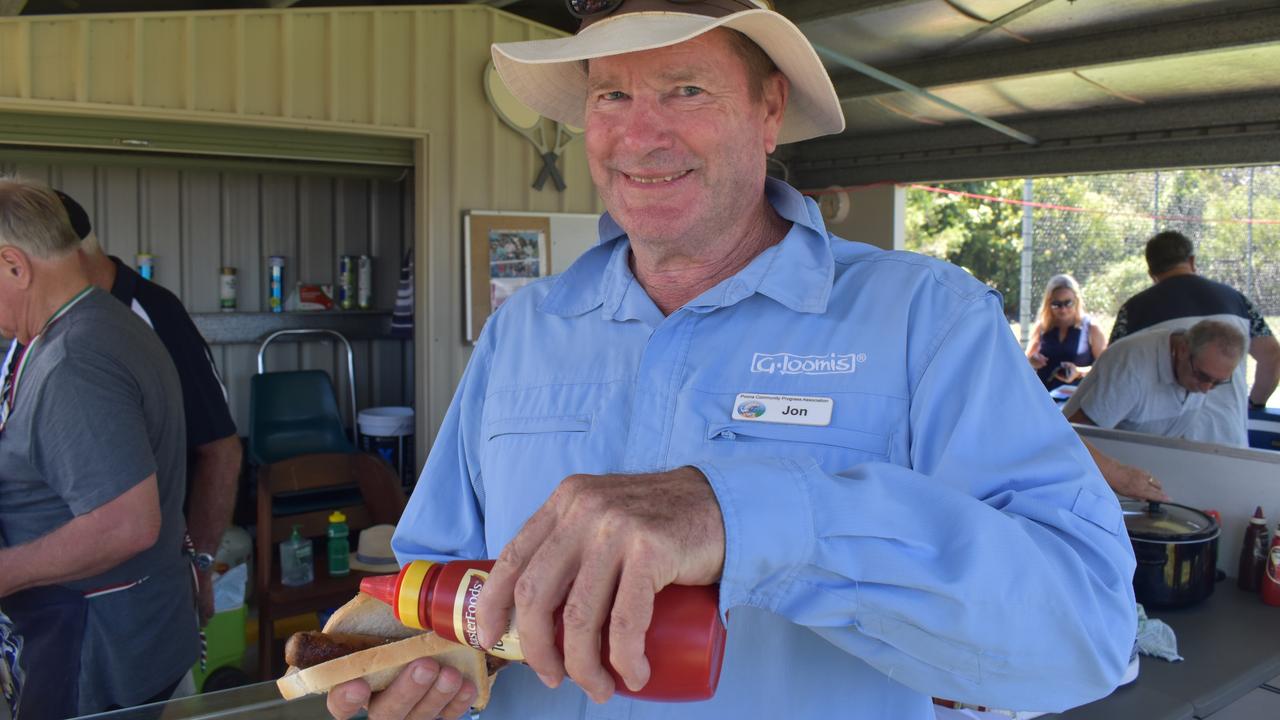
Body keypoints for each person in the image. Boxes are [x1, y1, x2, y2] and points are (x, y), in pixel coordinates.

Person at [329, 2, 1137, 719]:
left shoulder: (924, 320)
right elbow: (437, 585)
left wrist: (746, 517)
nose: (641, 135)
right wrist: (426, 677)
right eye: (612, 94)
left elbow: (1087, 635)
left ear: (768, 110)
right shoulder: (524, 330)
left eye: (686, 89)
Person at [0, 178, 199, 717]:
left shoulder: (74, 360)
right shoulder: (101, 321)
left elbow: (125, 524)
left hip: (95, 652)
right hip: (118, 638)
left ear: (15, 266)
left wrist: (5, 570)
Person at [57, 191, 242, 625]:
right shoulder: (35, 325)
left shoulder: (152, 313)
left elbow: (220, 450)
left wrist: (200, 568)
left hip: (144, 593)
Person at [1111, 230, 1279, 413]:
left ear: (1151, 273)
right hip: (1226, 430)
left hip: (1154, 433)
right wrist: (1255, 403)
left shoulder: (1133, 310)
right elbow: (1272, 356)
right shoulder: (1237, 302)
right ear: (1191, 261)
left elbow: (1111, 368)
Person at [1063, 319, 1247, 445]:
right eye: (1203, 377)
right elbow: (1077, 436)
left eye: (1218, 382)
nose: (1207, 389)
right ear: (1183, 350)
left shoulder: (1203, 366)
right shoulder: (1131, 366)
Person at [1026, 274, 1106, 389]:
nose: (1063, 309)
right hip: (1045, 397)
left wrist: (1079, 371)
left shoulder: (1091, 327)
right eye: (1056, 304)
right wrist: (1032, 361)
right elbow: (1024, 362)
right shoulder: (1042, 327)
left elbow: (1106, 367)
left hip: (1079, 399)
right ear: (1048, 304)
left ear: (1077, 301)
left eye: (1068, 303)